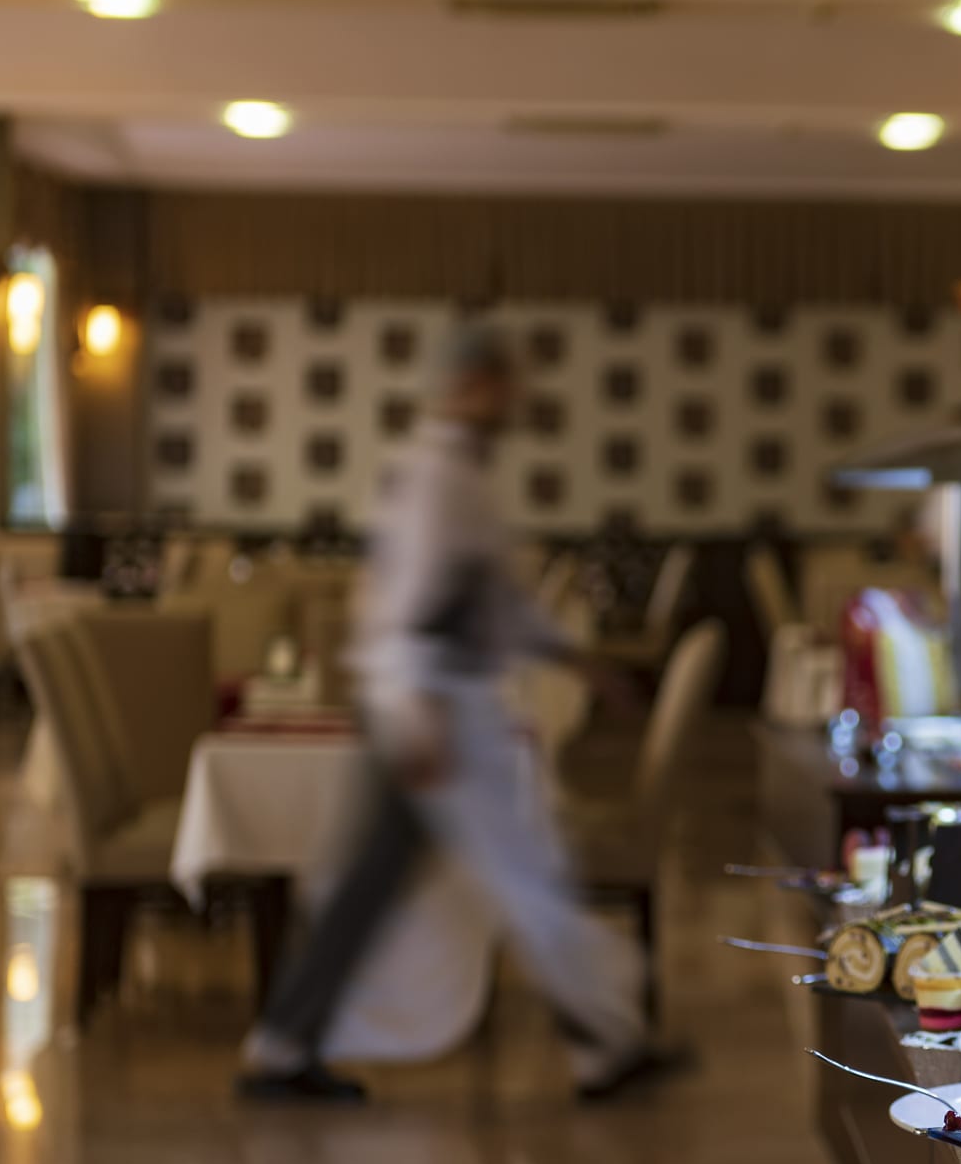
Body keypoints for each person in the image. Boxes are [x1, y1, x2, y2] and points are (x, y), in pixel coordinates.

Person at [237, 325, 664, 1103]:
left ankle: (285, 1042)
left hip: (425, 704)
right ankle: (605, 1043)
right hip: (436, 710)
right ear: (472, 386)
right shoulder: (438, 478)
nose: (516, 400)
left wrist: (574, 660)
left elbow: (495, 602)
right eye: (505, 384)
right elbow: (416, 606)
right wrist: (420, 712)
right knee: (518, 872)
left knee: (381, 884)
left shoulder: (456, 475)